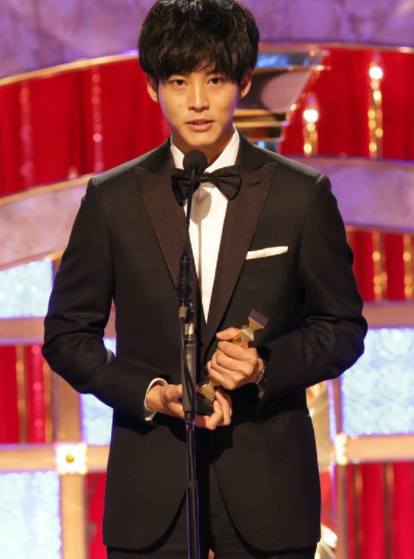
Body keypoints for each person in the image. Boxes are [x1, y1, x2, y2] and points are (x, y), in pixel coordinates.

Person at [42, 1, 367, 558]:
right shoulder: (112, 200)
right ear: (152, 87)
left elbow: (341, 328)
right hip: (151, 490)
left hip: (270, 490)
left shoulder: (300, 196)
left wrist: (264, 367)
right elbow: (67, 335)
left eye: (214, 79)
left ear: (244, 81)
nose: (197, 101)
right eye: (178, 81)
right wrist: (149, 392)